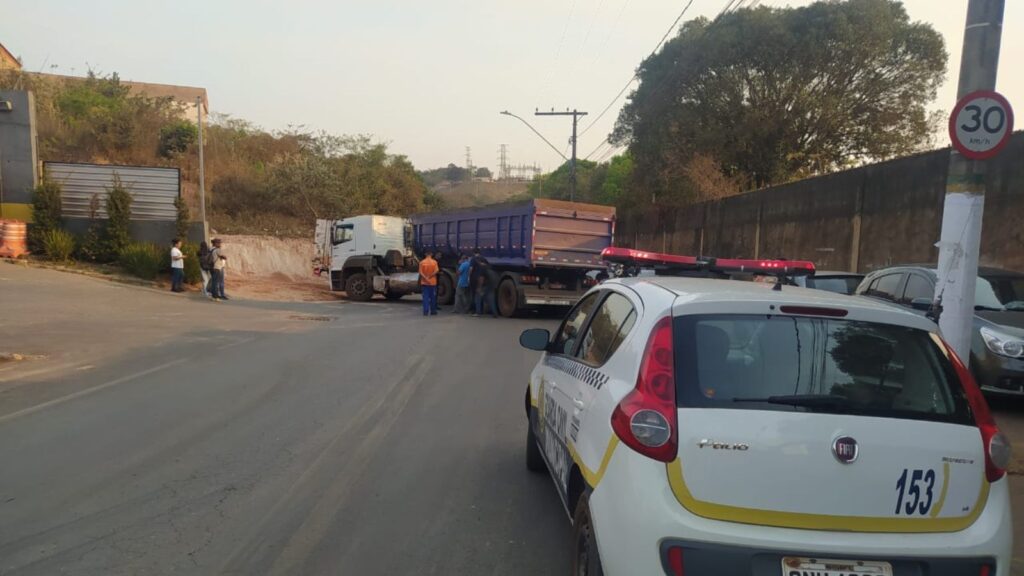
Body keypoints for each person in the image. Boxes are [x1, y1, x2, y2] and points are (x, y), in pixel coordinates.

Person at [419, 250, 439, 316]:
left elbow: (420, 272)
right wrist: (430, 276)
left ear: (425, 254)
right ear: (431, 254)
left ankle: (425, 311)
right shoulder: (434, 262)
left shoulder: (422, 262)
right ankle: (433, 311)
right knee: (433, 297)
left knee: (425, 298)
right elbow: (436, 270)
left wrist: (425, 278)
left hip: (424, 283)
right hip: (433, 283)